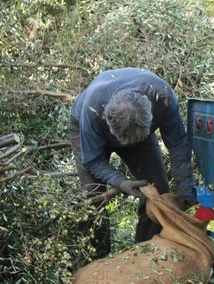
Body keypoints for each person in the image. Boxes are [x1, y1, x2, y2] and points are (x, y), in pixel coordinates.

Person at [70, 67, 196, 257]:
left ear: (150, 116)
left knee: (157, 191)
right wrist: (121, 182)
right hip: (85, 125)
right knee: (93, 197)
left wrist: (186, 188)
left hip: (138, 131)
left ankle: (145, 252)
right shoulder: (93, 109)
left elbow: (178, 145)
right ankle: (97, 260)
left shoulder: (163, 97)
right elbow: (93, 160)